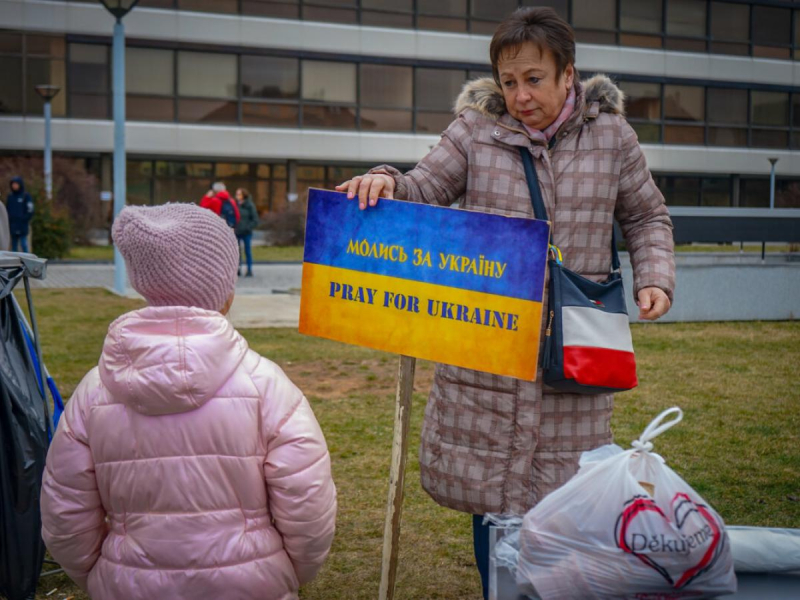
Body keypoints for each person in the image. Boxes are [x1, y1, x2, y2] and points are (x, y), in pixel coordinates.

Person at [336, 7, 675, 599]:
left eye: (534, 79)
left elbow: (646, 214)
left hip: (577, 346)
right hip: (487, 349)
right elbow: (424, 187)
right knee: (491, 501)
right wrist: (387, 180)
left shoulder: (613, 136)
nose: (520, 95)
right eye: (509, 81)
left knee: (573, 505)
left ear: (568, 74)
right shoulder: (473, 131)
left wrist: (657, 277)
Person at [40, 203, 337, 600]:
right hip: (251, 586)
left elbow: (65, 514)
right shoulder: (268, 386)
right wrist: (288, 572)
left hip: (129, 586)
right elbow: (308, 505)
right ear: (224, 291)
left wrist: (99, 576)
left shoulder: (93, 393)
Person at [235, 187, 259, 277]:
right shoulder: (235, 205)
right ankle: (238, 269)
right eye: (237, 194)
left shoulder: (250, 205)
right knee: (237, 253)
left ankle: (249, 270)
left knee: (247, 251)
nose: (237, 196)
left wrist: (248, 227)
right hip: (237, 232)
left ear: (244, 195)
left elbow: (255, 220)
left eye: (239, 194)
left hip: (246, 233)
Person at [6, 176, 34, 252]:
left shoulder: (25, 196)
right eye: (13, 184)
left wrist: (24, 219)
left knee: (24, 244)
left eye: (16, 184)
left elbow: (30, 209)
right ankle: (13, 263)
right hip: (13, 225)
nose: (14, 186)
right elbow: (7, 210)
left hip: (22, 225)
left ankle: (28, 261)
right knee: (13, 246)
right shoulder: (10, 196)